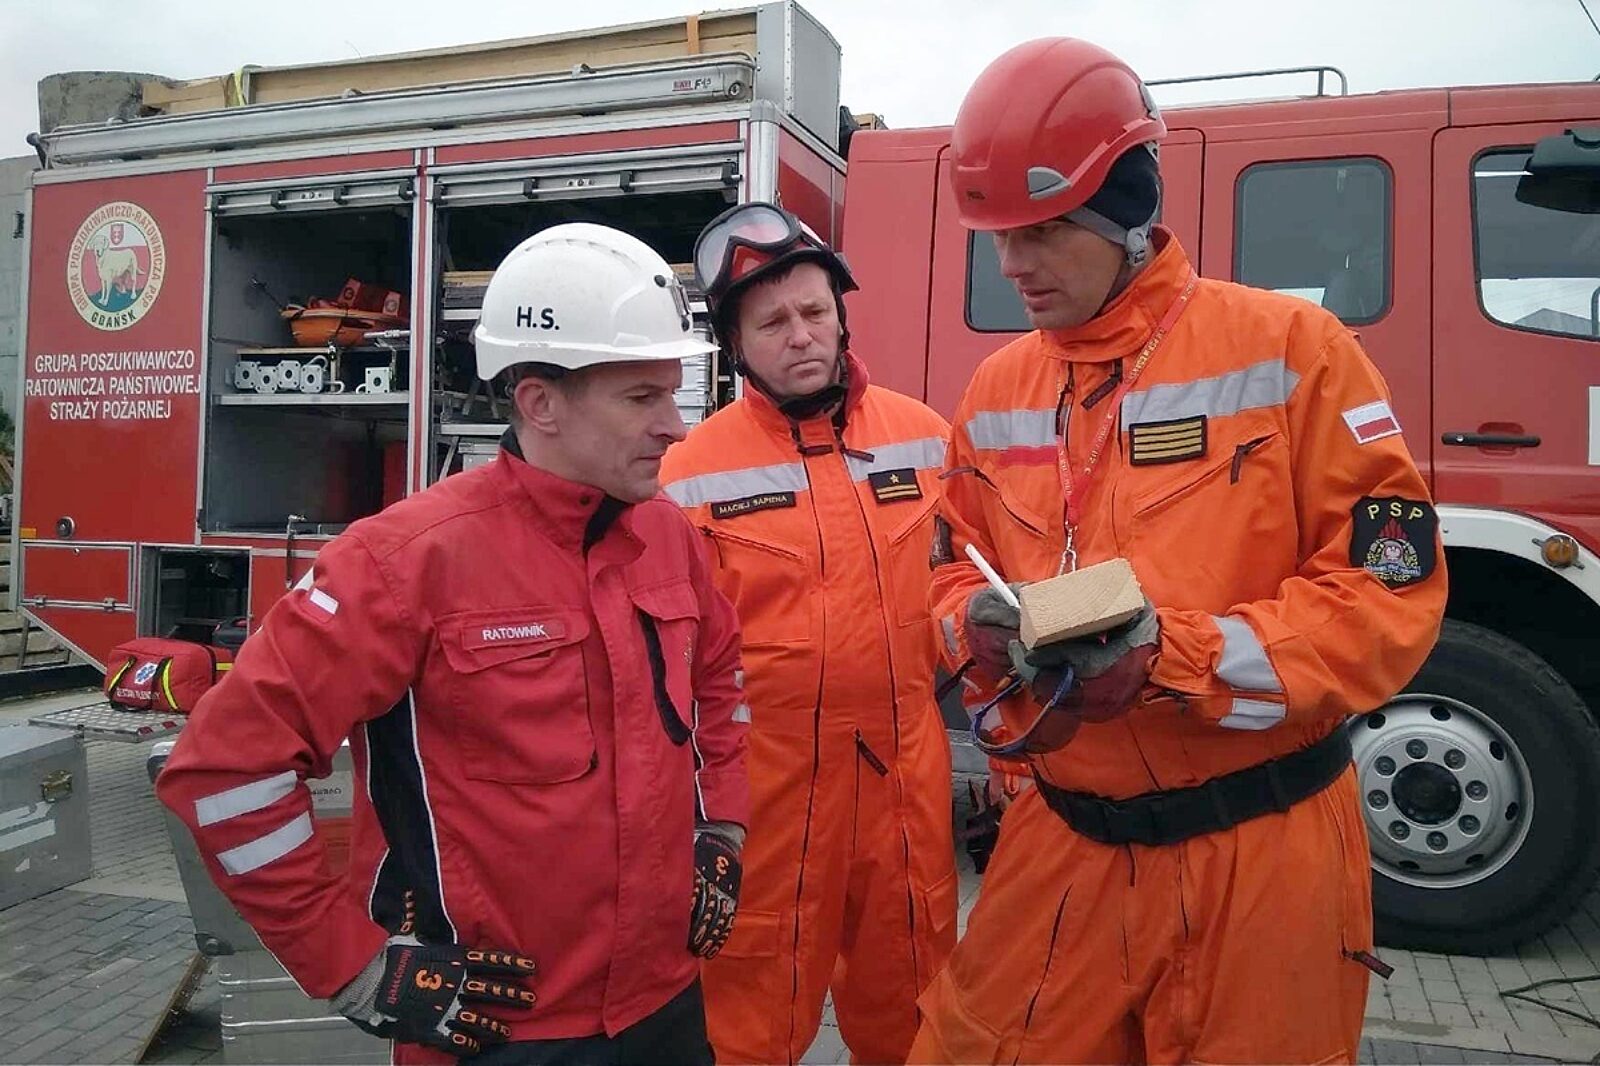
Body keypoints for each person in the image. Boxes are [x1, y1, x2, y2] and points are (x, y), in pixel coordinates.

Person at [910, 39, 1448, 1066]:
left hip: (1261, 854)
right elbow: (948, 567)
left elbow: (1386, 597)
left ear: (1127, 211)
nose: (1012, 265)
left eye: (1043, 231)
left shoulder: (1295, 351)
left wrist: (1174, 658)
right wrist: (971, 626)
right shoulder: (996, 392)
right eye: (998, 237)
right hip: (1060, 844)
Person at [156, 223, 750, 1065]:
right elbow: (223, 772)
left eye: (672, 392)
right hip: (494, 1029)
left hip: (666, 1006)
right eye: (641, 398)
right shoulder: (401, 563)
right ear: (540, 403)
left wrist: (720, 827)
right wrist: (354, 966)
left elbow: (720, 681)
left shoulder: (668, 538)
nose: (676, 426)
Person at [659, 202, 959, 1065]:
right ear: (735, 344)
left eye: (814, 311)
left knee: (920, 1024)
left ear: (841, 314)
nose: (800, 337)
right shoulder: (686, 473)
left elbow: (971, 588)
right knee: (746, 1032)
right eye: (771, 323)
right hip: (768, 801)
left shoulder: (926, 438)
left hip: (906, 788)